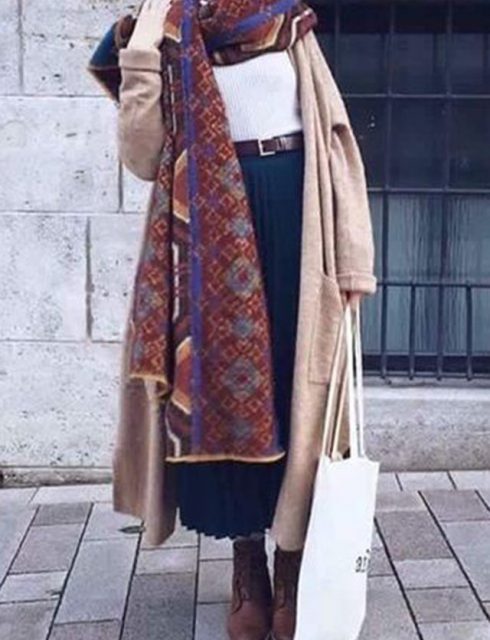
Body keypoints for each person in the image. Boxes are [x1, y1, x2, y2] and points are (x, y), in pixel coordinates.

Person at [88, 1, 376, 638]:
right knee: (223, 393)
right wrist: (142, 52)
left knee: (296, 395)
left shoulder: (284, 20)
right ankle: (248, 563)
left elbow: (335, 139)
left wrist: (354, 258)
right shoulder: (162, 30)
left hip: (297, 220)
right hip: (206, 235)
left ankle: (292, 565)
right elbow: (142, 158)